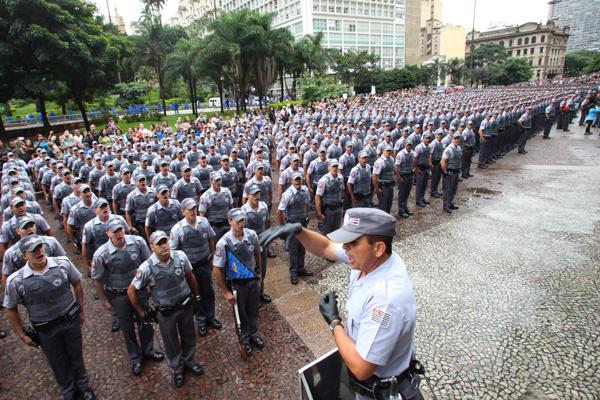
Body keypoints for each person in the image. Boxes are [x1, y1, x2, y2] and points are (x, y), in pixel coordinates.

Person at [264, 208, 421, 400]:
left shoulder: (386, 300)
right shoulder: (369, 258)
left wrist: (334, 322)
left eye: (352, 243)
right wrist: (300, 231)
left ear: (378, 248)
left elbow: (361, 367)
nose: (345, 248)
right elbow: (327, 247)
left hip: (380, 391)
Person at [3, 235, 96, 400]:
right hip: (46, 329)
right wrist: (22, 334)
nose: (39, 252)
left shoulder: (62, 264)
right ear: (24, 256)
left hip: (69, 321)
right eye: (33, 250)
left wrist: (80, 310)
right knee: (57, 361)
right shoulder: (16, 281)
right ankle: (68, 391)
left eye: (40, 247)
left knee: (76, 355)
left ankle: (83, 385)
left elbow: (77, 283)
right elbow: (10, 308)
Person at [128, 230, 204, 388]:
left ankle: (189, 361)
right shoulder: (146, 267)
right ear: (152, 247)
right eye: (159, 244)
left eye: (165, 242)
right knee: (170, 342)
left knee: (189, 335)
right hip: (166, 313)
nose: (164, 246)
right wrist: (142, 313)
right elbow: (131, 291)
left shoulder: (180, 256)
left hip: (185, 306)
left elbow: (190, 277)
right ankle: (177, 369)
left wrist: (196, 297)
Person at [91, 220, 164, 376]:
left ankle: (148, 349)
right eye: (114, 231)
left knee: (145, 320)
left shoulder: (137, 242)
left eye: (120, 230)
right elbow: (97, 278)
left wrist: (151, 285)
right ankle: (136, 357)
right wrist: (103, 300)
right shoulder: (101, 254)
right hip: (119, 295)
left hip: (139, 291)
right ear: (108, 234)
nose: (119, 233)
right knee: (127, 327)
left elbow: (149, 263)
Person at [212, 208, 264, 357]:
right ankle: (245, 339)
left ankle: (254, 334)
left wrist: (259, 273)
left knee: (253, 310)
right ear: (230, 221)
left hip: (252, 280)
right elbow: (217, 269)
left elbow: (257, 255)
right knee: (241, 314)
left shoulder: (252, 235)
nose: (241, 224)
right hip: (237, 284)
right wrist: (225, 292)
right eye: (237, 221)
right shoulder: (224, 243)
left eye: (243, 220)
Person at [169, 198, 221, 337]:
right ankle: (201, 321)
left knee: (208, 292)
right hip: (190, 269)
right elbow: (173, 251)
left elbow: (211, 238)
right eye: (190, 209)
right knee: (196, 294)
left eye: (194, 208)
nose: (193, 211)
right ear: (183, 211)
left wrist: (212, 255)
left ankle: (211, 316)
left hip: (204, 263)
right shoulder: (178, 229)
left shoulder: (204, 222)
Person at [276, 173, 313, 284]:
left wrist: (307, 215)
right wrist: (282, 226)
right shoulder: (287, 194)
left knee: (302, 247)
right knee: (293, 249)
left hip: (302, 223)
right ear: (292, 181)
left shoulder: (305, 190)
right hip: (292, 224)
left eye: (299, 180)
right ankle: (293, 271)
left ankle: (301, 268)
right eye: (295, 180)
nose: (298, 182)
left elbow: (307, 203)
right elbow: (279, 211)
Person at [240, 185, 273, 303]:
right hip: (249, 246)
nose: (257, 196)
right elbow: (240, 231)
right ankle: (252, 298)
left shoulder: (264, 206)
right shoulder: (243, 211)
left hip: (262, 244)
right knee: (251, 271)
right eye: (254, 194)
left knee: (262, 269)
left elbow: (267, 223)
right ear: (248, 196)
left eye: (258, 193)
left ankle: (261, 293)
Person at [315, 159, 345, 235]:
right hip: (328, 209)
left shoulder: (340, 178)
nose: (335, 168)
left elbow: (342, 192)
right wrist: (319, 213)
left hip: (338, 207)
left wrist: (342, 207)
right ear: (329, 168)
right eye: (333, 166)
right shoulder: (324, 180)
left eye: (336, 166)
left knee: (336, 231)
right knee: (327, 231)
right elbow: (318, 197)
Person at [441, 134, 462, 214]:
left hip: (456, 171)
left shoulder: (458, 148)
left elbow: (459, 160)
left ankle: (450, 203)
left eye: (458, 139)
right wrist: (445, 172)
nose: (457, 140)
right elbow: (442, 161)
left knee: (453, 189)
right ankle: (445, 205)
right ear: (452, 139)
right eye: (455, 139)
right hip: (450, 172)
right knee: (448, 190)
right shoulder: (448, 149)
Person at [394, 141, 415, 219]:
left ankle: (405, 207)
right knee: (402, 194)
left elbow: (413, 162)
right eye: (408, 145)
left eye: (410, 145)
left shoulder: (411, 152)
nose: (409, 146)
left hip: (409, 174)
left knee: (407, 193)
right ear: (405, 145)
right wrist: (399, 177)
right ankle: (401, 210)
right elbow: (397, 166)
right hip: (403, 176)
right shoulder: (400, 154)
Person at [372, 146, 395, 213]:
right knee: (383, 205)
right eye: (387, 151)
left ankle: (387, 220)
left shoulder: (391, 159)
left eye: (390, 151)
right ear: (383, 151)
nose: (389, 152)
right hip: (383, 186)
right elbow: (374, 176)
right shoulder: (379, 161)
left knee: (389, 204)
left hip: (390, 185)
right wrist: (377, 188)